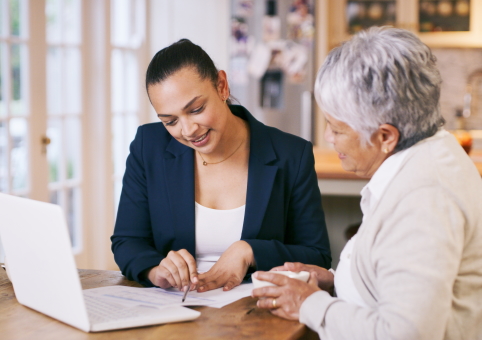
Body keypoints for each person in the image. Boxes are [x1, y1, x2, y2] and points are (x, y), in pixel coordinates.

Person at [252, 27, 482, 339]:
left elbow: (406, 333)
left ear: (385, 136)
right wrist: (336, 280)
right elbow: (397, 277)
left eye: (337, 128)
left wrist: (310, 304)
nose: (327, 138)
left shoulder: (424, 200)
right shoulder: (429, 152)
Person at [111, 39, 331, 294]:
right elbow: (127, 241)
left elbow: (318, 256)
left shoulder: (291, 154)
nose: (188, 130)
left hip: (256, 311)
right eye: (170, 121)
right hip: (175, 309)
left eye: (196, 109)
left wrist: (249, 251)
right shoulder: (148, 147)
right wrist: (155, 270)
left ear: (222, 86)